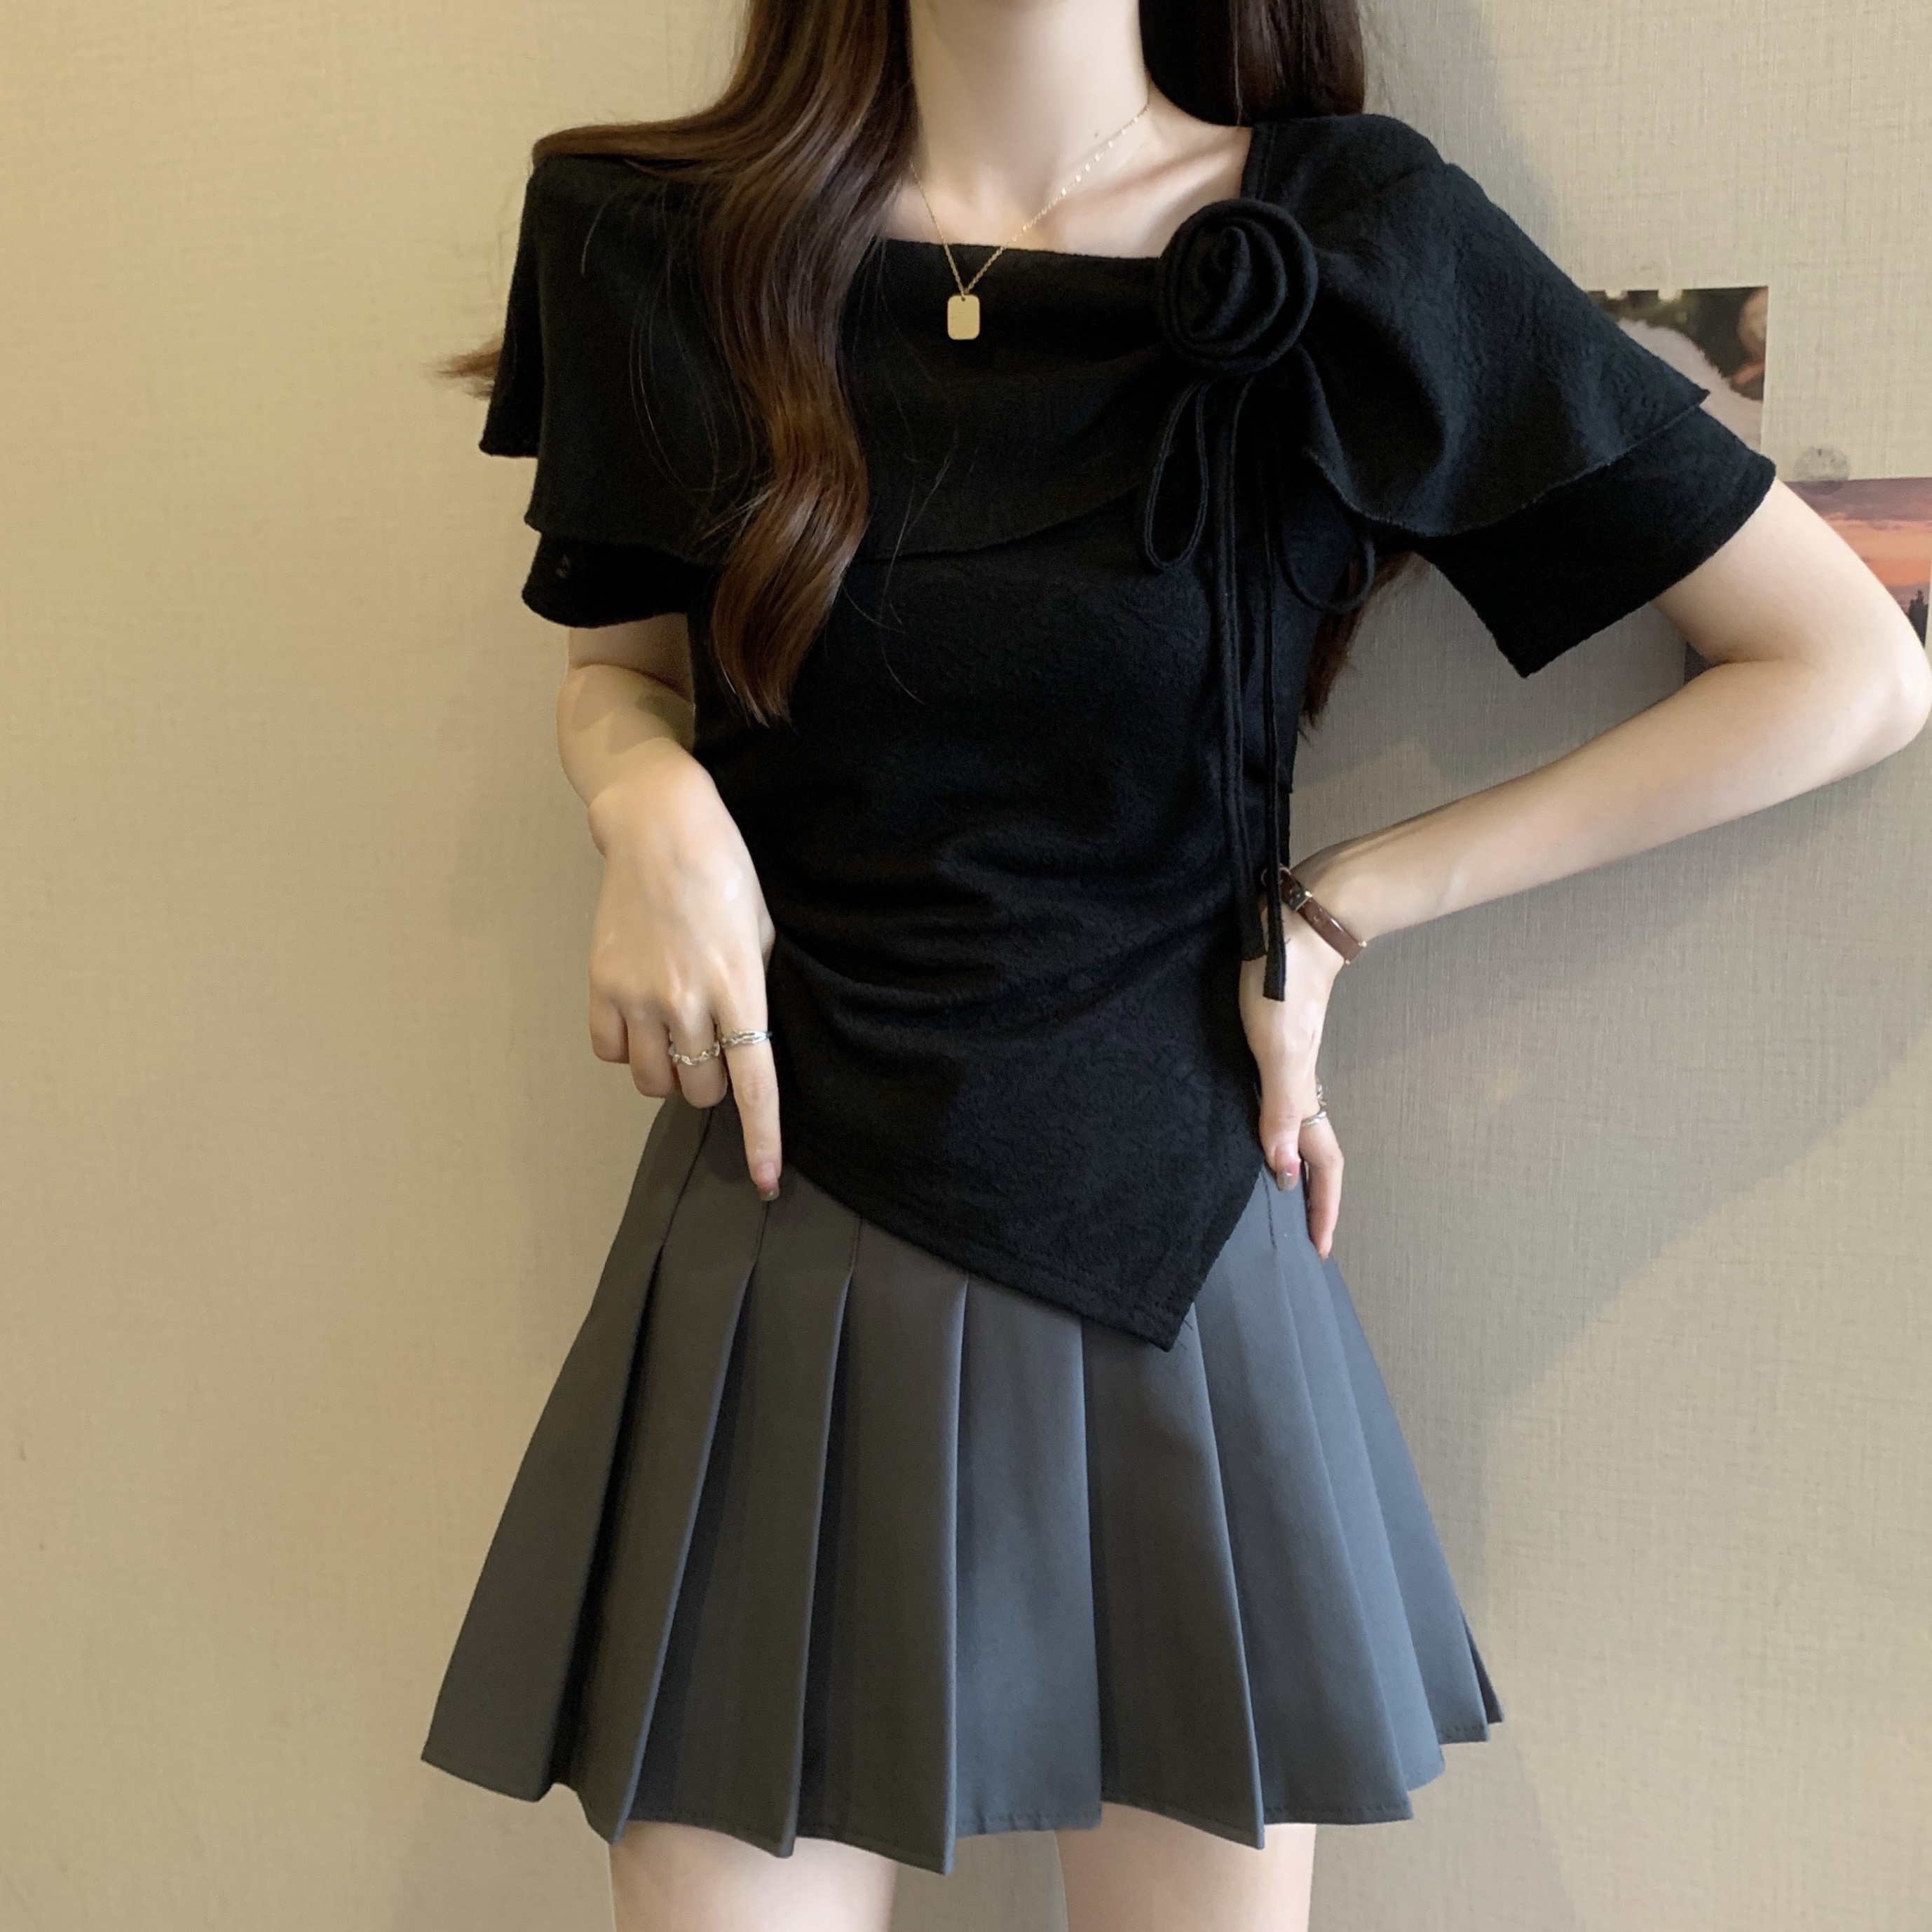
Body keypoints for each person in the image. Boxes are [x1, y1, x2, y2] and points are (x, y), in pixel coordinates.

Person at [419, 2, 1932, 1928]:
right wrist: (645, 801)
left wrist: (1347, 903)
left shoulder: (1347, 235)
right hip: (783, 1213)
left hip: (1176, 1236)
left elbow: (1844, 668)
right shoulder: (656, 237)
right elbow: (620, 672)